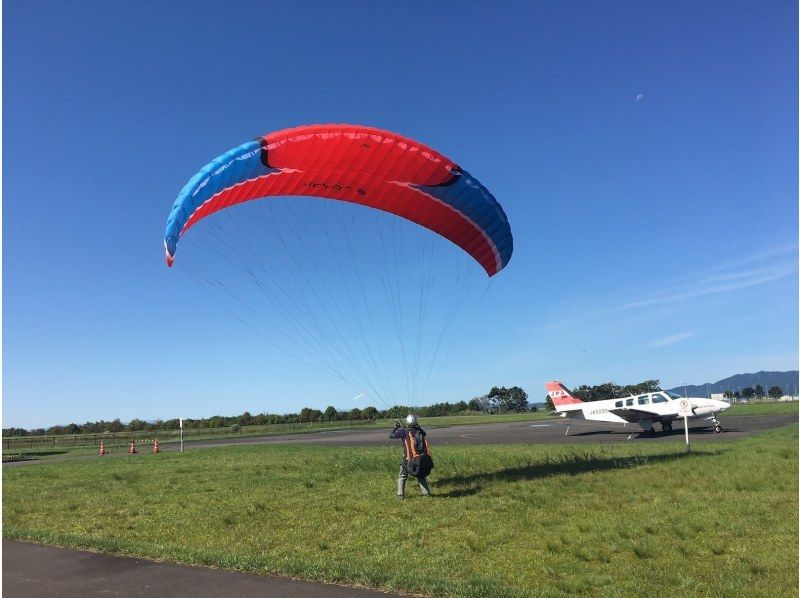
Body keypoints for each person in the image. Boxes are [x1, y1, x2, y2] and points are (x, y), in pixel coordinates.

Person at [389, 413, 432, 499]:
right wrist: (416, 426)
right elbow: (424, 433)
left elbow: (391, 435)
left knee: (402, 476)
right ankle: (426, 494)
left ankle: (400, 495)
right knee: (420, 475)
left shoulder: (403, 431)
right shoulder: (420, 431)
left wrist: (395, 428)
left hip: (408, 458)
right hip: (419, 458)